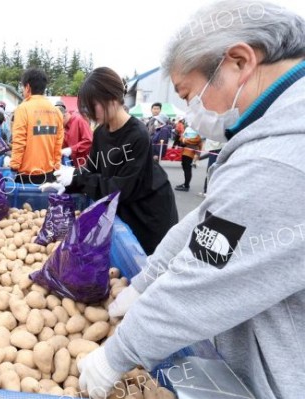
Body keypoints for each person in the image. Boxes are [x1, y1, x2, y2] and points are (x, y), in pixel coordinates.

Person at [77, 2, 305, 398]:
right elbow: (206, 222)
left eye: (190, 95)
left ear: (239, 62)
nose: (190, 112)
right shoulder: (271, 132)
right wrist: (145, 282)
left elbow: (204, 270)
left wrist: (115, 356)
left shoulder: (279, 158)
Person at [41, 67, 178, 255]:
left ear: (112, 97)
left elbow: (122, 188)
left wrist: (77, 178)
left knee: (148, 258)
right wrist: (69, 183)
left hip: (148, 210)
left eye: (93, 105)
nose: (89, 112)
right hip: (124, 204)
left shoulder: (138, 135)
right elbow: (92, 170)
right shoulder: (101, 133)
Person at [11, 68, 64, 185]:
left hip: (27, 174)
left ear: (28, 87)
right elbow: (58, 144)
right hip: (49, 173)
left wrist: (14, 166)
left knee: (25, 203)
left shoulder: (23, 108)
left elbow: (19, 141)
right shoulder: (56, 112)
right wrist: (56, 165)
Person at [55, 101, 93, 167]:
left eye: (58, 121)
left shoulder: (79, 120)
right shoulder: (64, 127)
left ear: (64, 116)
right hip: (76, 163)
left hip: (88, 162)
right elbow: (64, 145)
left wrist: (71, 149)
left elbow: (89, 141)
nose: (57, 124)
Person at [174, 126, 202, 191]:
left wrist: (185, 140)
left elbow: (196, 140)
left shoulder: (197, 129)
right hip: (186, 150)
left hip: (191, 151)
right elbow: (181, 138)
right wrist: (184, 139)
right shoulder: (189, 128)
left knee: (187, 168)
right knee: (185, 167)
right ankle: (185, 184)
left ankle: (186, 186)